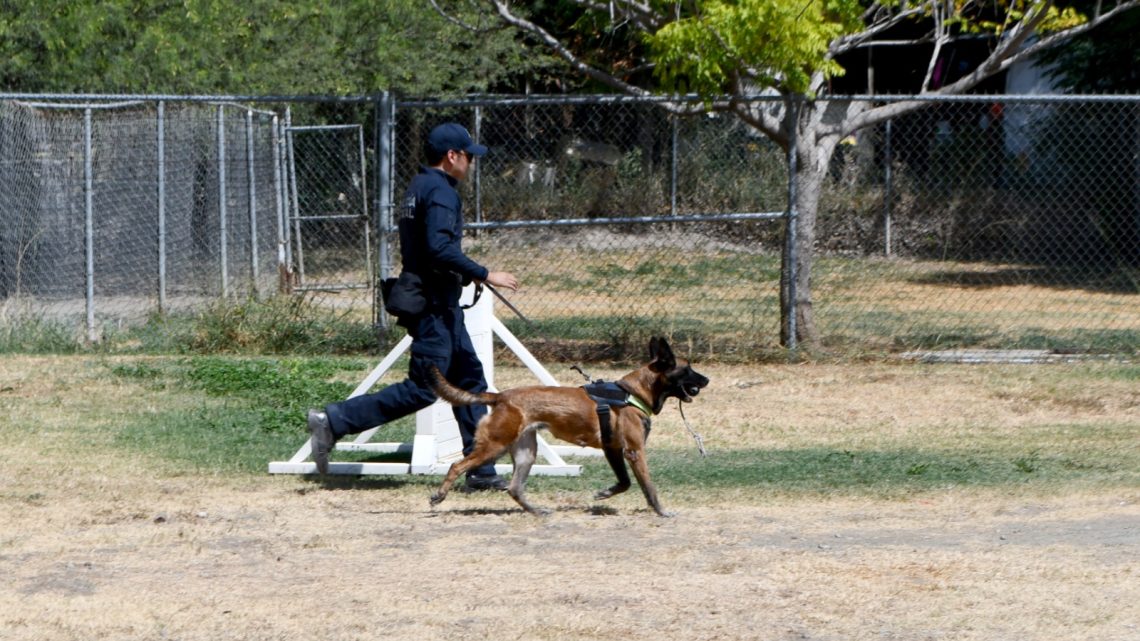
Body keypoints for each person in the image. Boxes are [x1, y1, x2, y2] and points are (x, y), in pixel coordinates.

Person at [307, 122, 519, 491]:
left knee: (469, 381)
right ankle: (335, 420)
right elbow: (439, 249)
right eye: (468, 155)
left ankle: (481, 469)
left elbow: (428, 249)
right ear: (451, 156)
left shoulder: (420, 186)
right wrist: (485, 273)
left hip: (440, 301)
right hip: (435, 305)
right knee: (425, 387)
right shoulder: (440, 192)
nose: (471, 163)